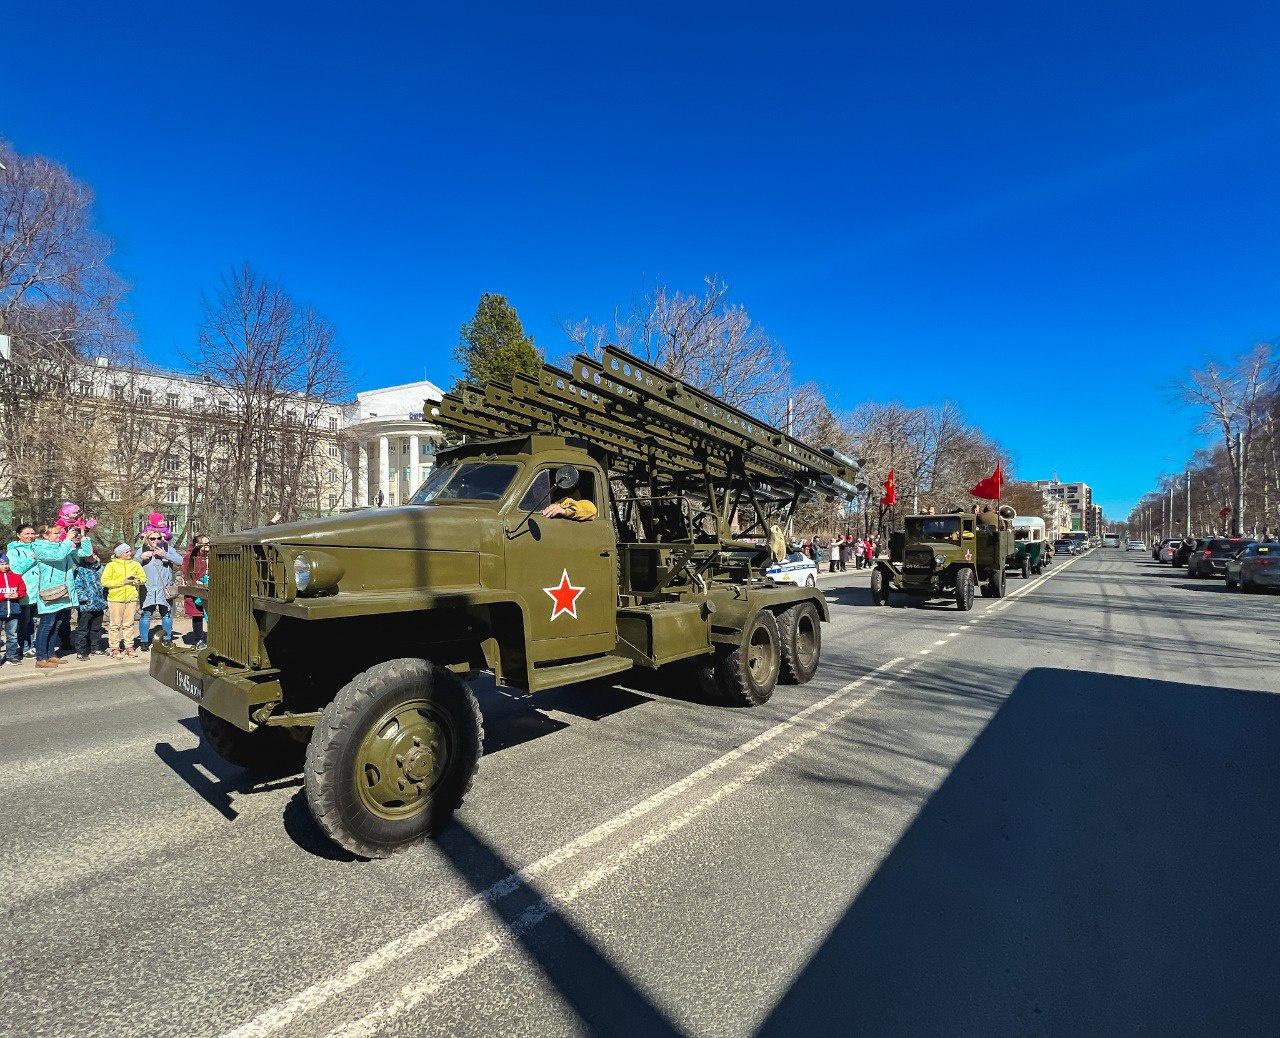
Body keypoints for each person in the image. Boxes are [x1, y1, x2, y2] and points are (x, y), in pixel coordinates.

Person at [14, 522, 94, 669]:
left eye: (59, 533)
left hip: (64, 592)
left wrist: (84, 536)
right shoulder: (39, 547)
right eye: (56, 533)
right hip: (50, 593)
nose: (60, 535)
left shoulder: (62, 546)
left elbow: (86, 553)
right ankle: (41, 658)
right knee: (46, 625)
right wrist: (67, 540)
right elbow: (58, 556)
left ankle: (51, 655)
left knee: (56, 626)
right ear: (45, 535)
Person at [138, 531, 184, 650]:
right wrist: (140, 558)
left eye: (158, 538)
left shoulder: (168, 549)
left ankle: (167, 639)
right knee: (145, 615)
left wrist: (165, 555)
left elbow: (181, 561)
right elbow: (132, 564)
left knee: (166, 614)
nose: (156, 540)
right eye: (152, 538)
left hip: (164, 588)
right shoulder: (142, 550)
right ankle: (144, 641)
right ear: (147, 539)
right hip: (147, 589)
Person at [102, 544, 146, 658]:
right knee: (115, 624)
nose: (130, 553)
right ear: (119, 554)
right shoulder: (111, 565)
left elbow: (143, 578)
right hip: (116, 599)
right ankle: (115, 648)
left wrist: (136, 581)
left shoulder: (135, 564)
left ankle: (129, 646)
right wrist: (123, 582)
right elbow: (105, 582)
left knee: (129, 624)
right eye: (126, 552)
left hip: (131, 598)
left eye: (130, 551)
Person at [6, 523, 38, 657]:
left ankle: (33, 646)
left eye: (32, 533)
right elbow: (16, 570)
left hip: (38, 591)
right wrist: (32, 558)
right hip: (25, 591)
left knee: (35, 622)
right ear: (19, 535)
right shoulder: (13, 551)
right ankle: (24, 647)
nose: (30, 536)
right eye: (27, 534)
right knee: (24, 622)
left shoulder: (37, 547)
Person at [71, 552, 108, 659]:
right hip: (86, 604)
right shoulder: (80, 570)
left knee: (96, 628)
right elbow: (77, 586)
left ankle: (95, 648)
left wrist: (104, 598)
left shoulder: (100, 569)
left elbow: (105, 583)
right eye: (89, 556)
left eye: (94, 555)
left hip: (99, 603)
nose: (92, 558)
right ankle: (81, 650)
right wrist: (83, 598)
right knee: (83, 629)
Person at [183, 534, 211, 647]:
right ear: (197, 544)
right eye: (205, 544)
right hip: (196, 591)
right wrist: (196, 583)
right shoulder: (190, 557)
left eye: (208, 543)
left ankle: (213, 639)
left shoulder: (211, 556)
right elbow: (187, 574)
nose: (208, 546)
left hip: (210, 589)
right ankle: (199, 639)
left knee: (212, 615)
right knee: (198, 615)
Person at [0, 554, 28, 665]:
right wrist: (3, 596)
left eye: (6, 564)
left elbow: (23, 590)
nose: (5, 566)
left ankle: (11, 656)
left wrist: (18, 594)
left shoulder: (16, 577)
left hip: (13, 611)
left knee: (12, 635)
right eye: (2, 564)